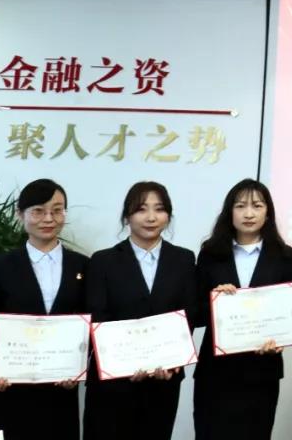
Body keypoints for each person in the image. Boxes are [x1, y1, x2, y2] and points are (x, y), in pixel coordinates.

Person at [0, 179, 88, 440]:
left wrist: (78, 367)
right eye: (38, 211)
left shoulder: (83, 266)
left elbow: (91, 323)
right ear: (20, 215)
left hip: (60, 392)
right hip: (10, 389)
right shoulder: (0, 267)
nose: (49, 218)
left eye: (57, 210)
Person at [82, 181, 198, 440]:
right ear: (127, 216)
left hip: (162, 380)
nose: (151, 217)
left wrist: (173, 358)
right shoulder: (103, 261)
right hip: (112, 385)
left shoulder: (183, 259)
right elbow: (97, 316)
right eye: (141, 209)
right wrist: (126, 363)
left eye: (159, 209)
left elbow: (188, 314)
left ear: (168, 215)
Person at [193, 179, 292, 440]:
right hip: (216, 372)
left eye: (257, 206)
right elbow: (195, 312)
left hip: (262, 370)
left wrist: (281, 339)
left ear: (268, 212)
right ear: (229, 212)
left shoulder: (284, 255)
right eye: (240, 206)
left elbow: (288, 311)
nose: (249, 214)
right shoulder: (210, 253)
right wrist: (215, 301)